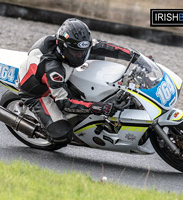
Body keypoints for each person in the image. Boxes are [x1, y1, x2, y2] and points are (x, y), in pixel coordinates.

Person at [18, 18, 139, 147]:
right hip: (38, 94)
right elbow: (65, 103)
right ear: (62, 47)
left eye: (83, 51)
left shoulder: (74, 44)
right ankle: (48, 130)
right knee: (62, 135)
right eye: (75, 52)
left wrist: (135, 56)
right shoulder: (53, 69)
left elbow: (104, 46)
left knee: (99, 55)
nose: (80, 56)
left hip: (59, 77)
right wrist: (98, 107)